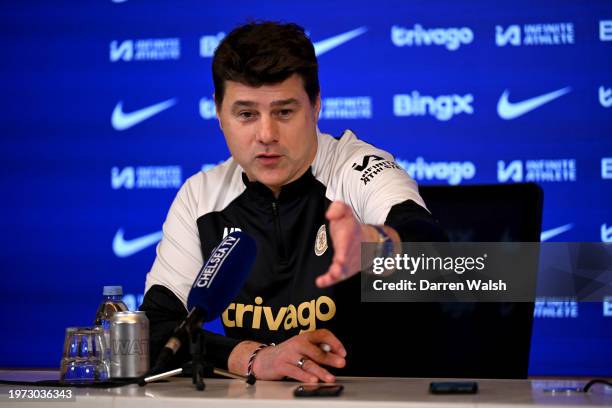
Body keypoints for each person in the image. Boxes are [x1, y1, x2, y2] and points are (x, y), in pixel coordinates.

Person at [140, 21, 446, 384]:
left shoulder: (356, 167)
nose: (266, 135)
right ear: (219, 114)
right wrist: (254, 359)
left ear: (316, 106)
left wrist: (375, 245)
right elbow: (157, 331)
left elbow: (431, 250)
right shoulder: (201, 197)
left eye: (284, 112)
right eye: (246, 114)